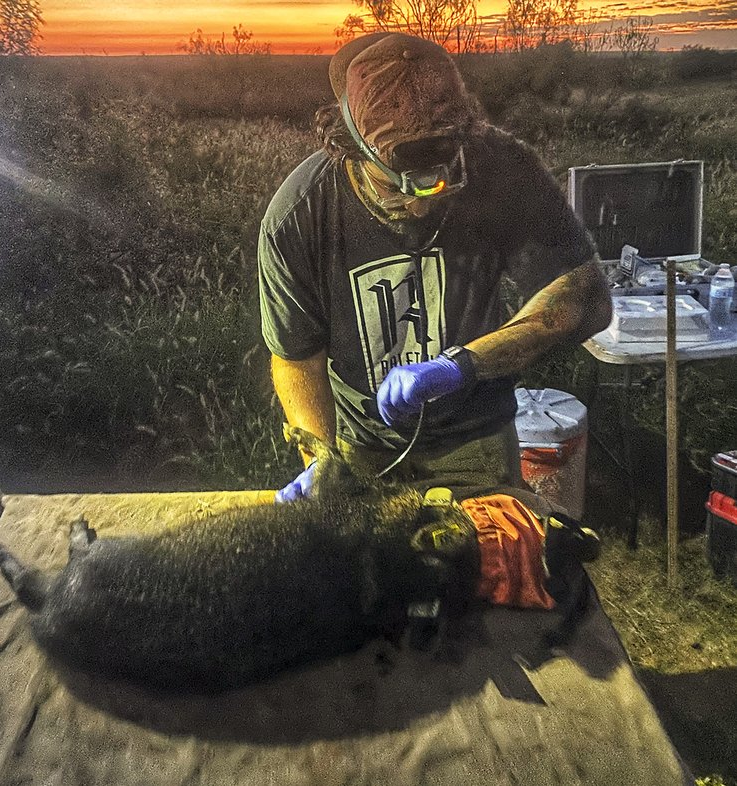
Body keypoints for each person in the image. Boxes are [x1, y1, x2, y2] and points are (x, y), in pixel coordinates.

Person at [258, 32, 612, 503]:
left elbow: (584, 296)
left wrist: (461, 367)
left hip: (477, 437)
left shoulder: (502, 168)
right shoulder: (299, 216)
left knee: (494, 563)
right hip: (364, 445)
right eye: (398, 189)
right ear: (350, 149)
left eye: (441, 184)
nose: (420, 206)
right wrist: (321, 459)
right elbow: (295, 357)